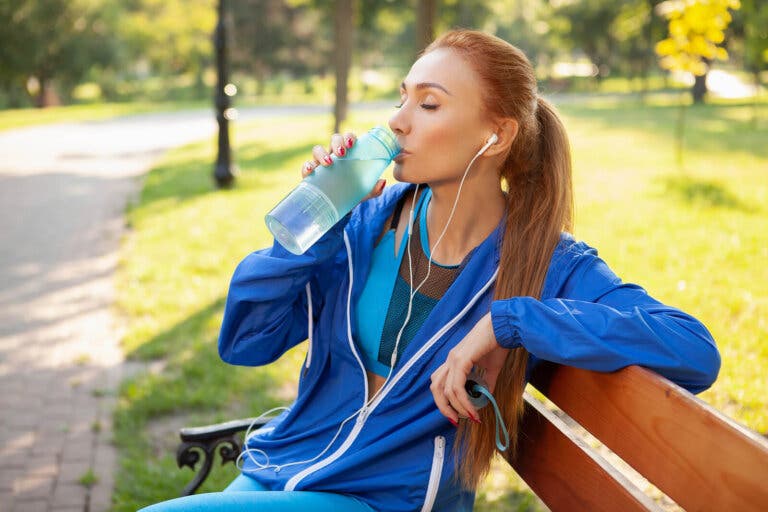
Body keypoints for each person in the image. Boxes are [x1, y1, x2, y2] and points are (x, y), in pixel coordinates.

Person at [140, 29, 720, 512]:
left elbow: (694, 351)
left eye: (429, 103)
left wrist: (507, 323)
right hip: (285, 467)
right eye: (401, 97)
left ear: (497, 136)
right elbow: (246, 342)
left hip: (383, 497)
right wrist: (315, 221)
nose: (397, 121)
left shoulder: (549, 263)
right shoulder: (365, 224)